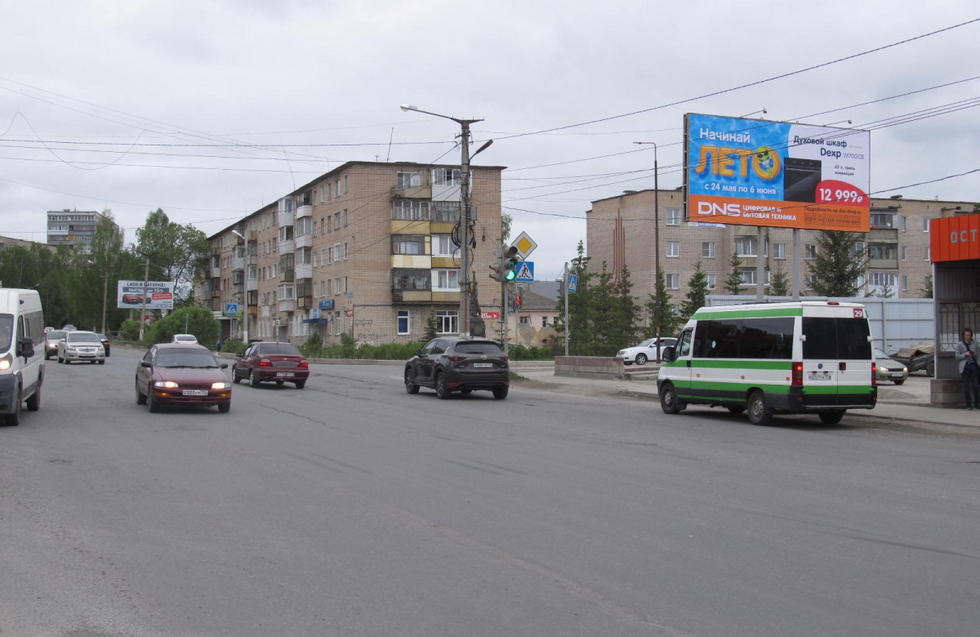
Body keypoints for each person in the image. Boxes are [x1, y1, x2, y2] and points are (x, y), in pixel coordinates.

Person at [954, 328, 980, 409]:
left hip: (973, 366)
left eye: (969, 335)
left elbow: (978, 355)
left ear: (971, 335)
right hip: (964, 366)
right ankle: (968, 404)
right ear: (964, 336)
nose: (967, 337)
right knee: (966, 387)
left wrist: (978, 364)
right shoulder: (960, 344)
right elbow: (957, 356)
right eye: (966, 335)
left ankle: (977, 404)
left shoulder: (975, 344)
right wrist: (965, 354)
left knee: (976, 386)